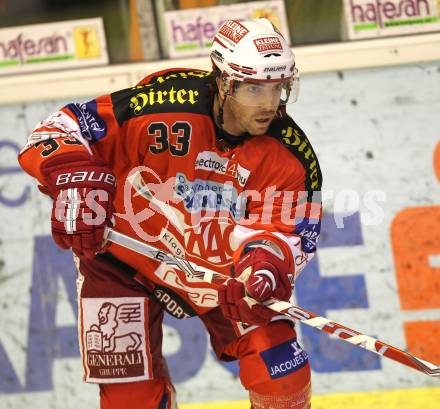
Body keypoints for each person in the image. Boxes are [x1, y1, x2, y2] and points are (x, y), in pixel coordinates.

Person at [18, 18, 322, 409]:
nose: (269, 103)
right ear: (224, 82)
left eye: (279, 87)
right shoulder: (159, 106)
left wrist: (264, 268)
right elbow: (57, 130)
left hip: (218, 273)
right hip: (120, 260)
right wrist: (72, 174)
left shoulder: (290, 154)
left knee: (280, 369)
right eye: (253, 88)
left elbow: (290, 234)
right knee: (130, 401)